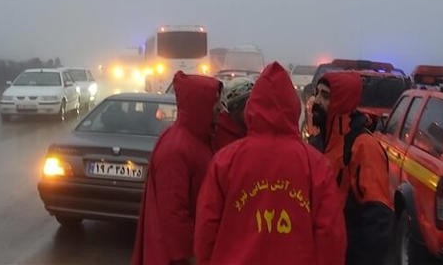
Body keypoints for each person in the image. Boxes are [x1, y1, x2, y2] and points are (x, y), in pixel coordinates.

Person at [195, 62, 346, 265]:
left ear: (252, 106)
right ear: (293, 107)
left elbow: (206, 228)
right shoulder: (316, 165)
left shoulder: (225, 161)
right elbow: (330, 236)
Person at [131, 71, 222, 265]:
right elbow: (173, 212)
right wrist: (190, 255)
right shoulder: (176, 148)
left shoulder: (198, 138)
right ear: (199, 104)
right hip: (174, 257)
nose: (220, 108)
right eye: (215, 101)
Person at [312, 72, 394, 265]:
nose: (317, 101)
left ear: (341, 101)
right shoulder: (318, 143)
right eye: (317, 93)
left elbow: (378, 217)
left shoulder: (364, 147)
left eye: (325, 96)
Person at [211, 77, 254, 152]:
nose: (254, 110)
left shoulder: (251, 128)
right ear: (235, 108)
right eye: (248, 105)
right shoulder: (222, 136)